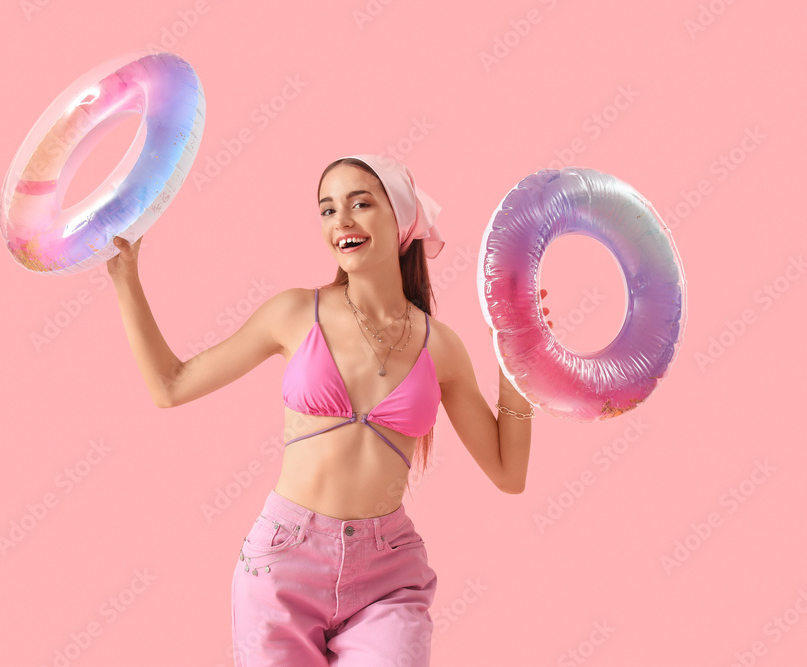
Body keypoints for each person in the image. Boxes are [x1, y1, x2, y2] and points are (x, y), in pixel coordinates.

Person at [106, 154, 549, 666]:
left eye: (360, 203)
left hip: (388, 574)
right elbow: (170, 385)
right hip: (284, 561)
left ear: (402, 218)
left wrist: (519, 352)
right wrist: (125, 277)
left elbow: (508, 473)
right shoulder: (294, 312)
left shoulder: (441, 346)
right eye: (327, 209)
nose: (341, 221)